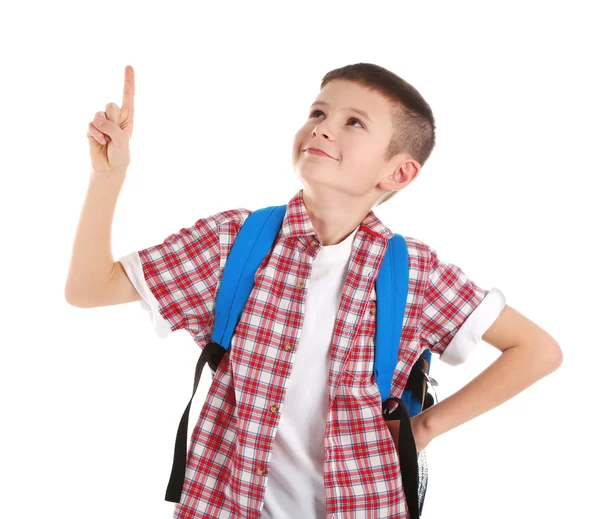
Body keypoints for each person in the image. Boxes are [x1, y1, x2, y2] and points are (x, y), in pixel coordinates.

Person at [65, 63, 563, 519]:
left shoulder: (413, 274)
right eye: (318, 111)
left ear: (399, 172)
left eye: (354, 122)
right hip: (226, 504)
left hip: (367, 504)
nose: (322, 126)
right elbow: (88, 289)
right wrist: (108, 178)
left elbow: (537, 350)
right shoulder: (234, 242)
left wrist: (423, 430)